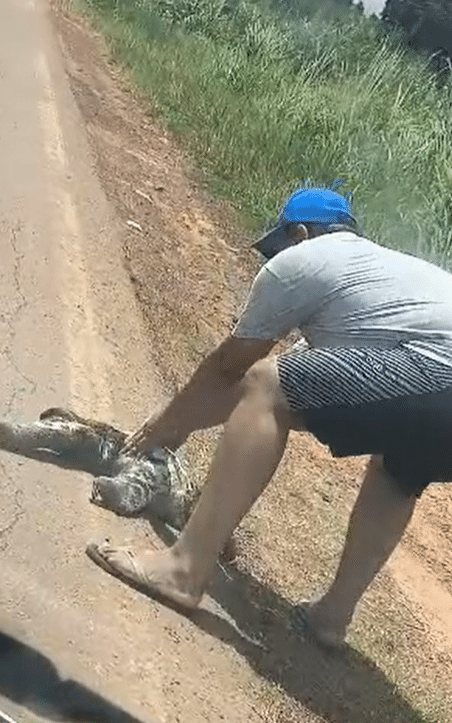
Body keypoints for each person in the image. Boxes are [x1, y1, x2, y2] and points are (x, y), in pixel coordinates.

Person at [86, 186, 452, 649]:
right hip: (438, 387)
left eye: (276, 247)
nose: (271, 260)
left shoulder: (306, 260)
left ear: (300, 233)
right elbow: (295, 392)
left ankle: (184, 569)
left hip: (439, 371)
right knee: (399, 470)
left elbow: (233, 371)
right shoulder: (383, 282)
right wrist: (174, 425)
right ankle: (331, 618)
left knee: (268, 383)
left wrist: (166, 429)